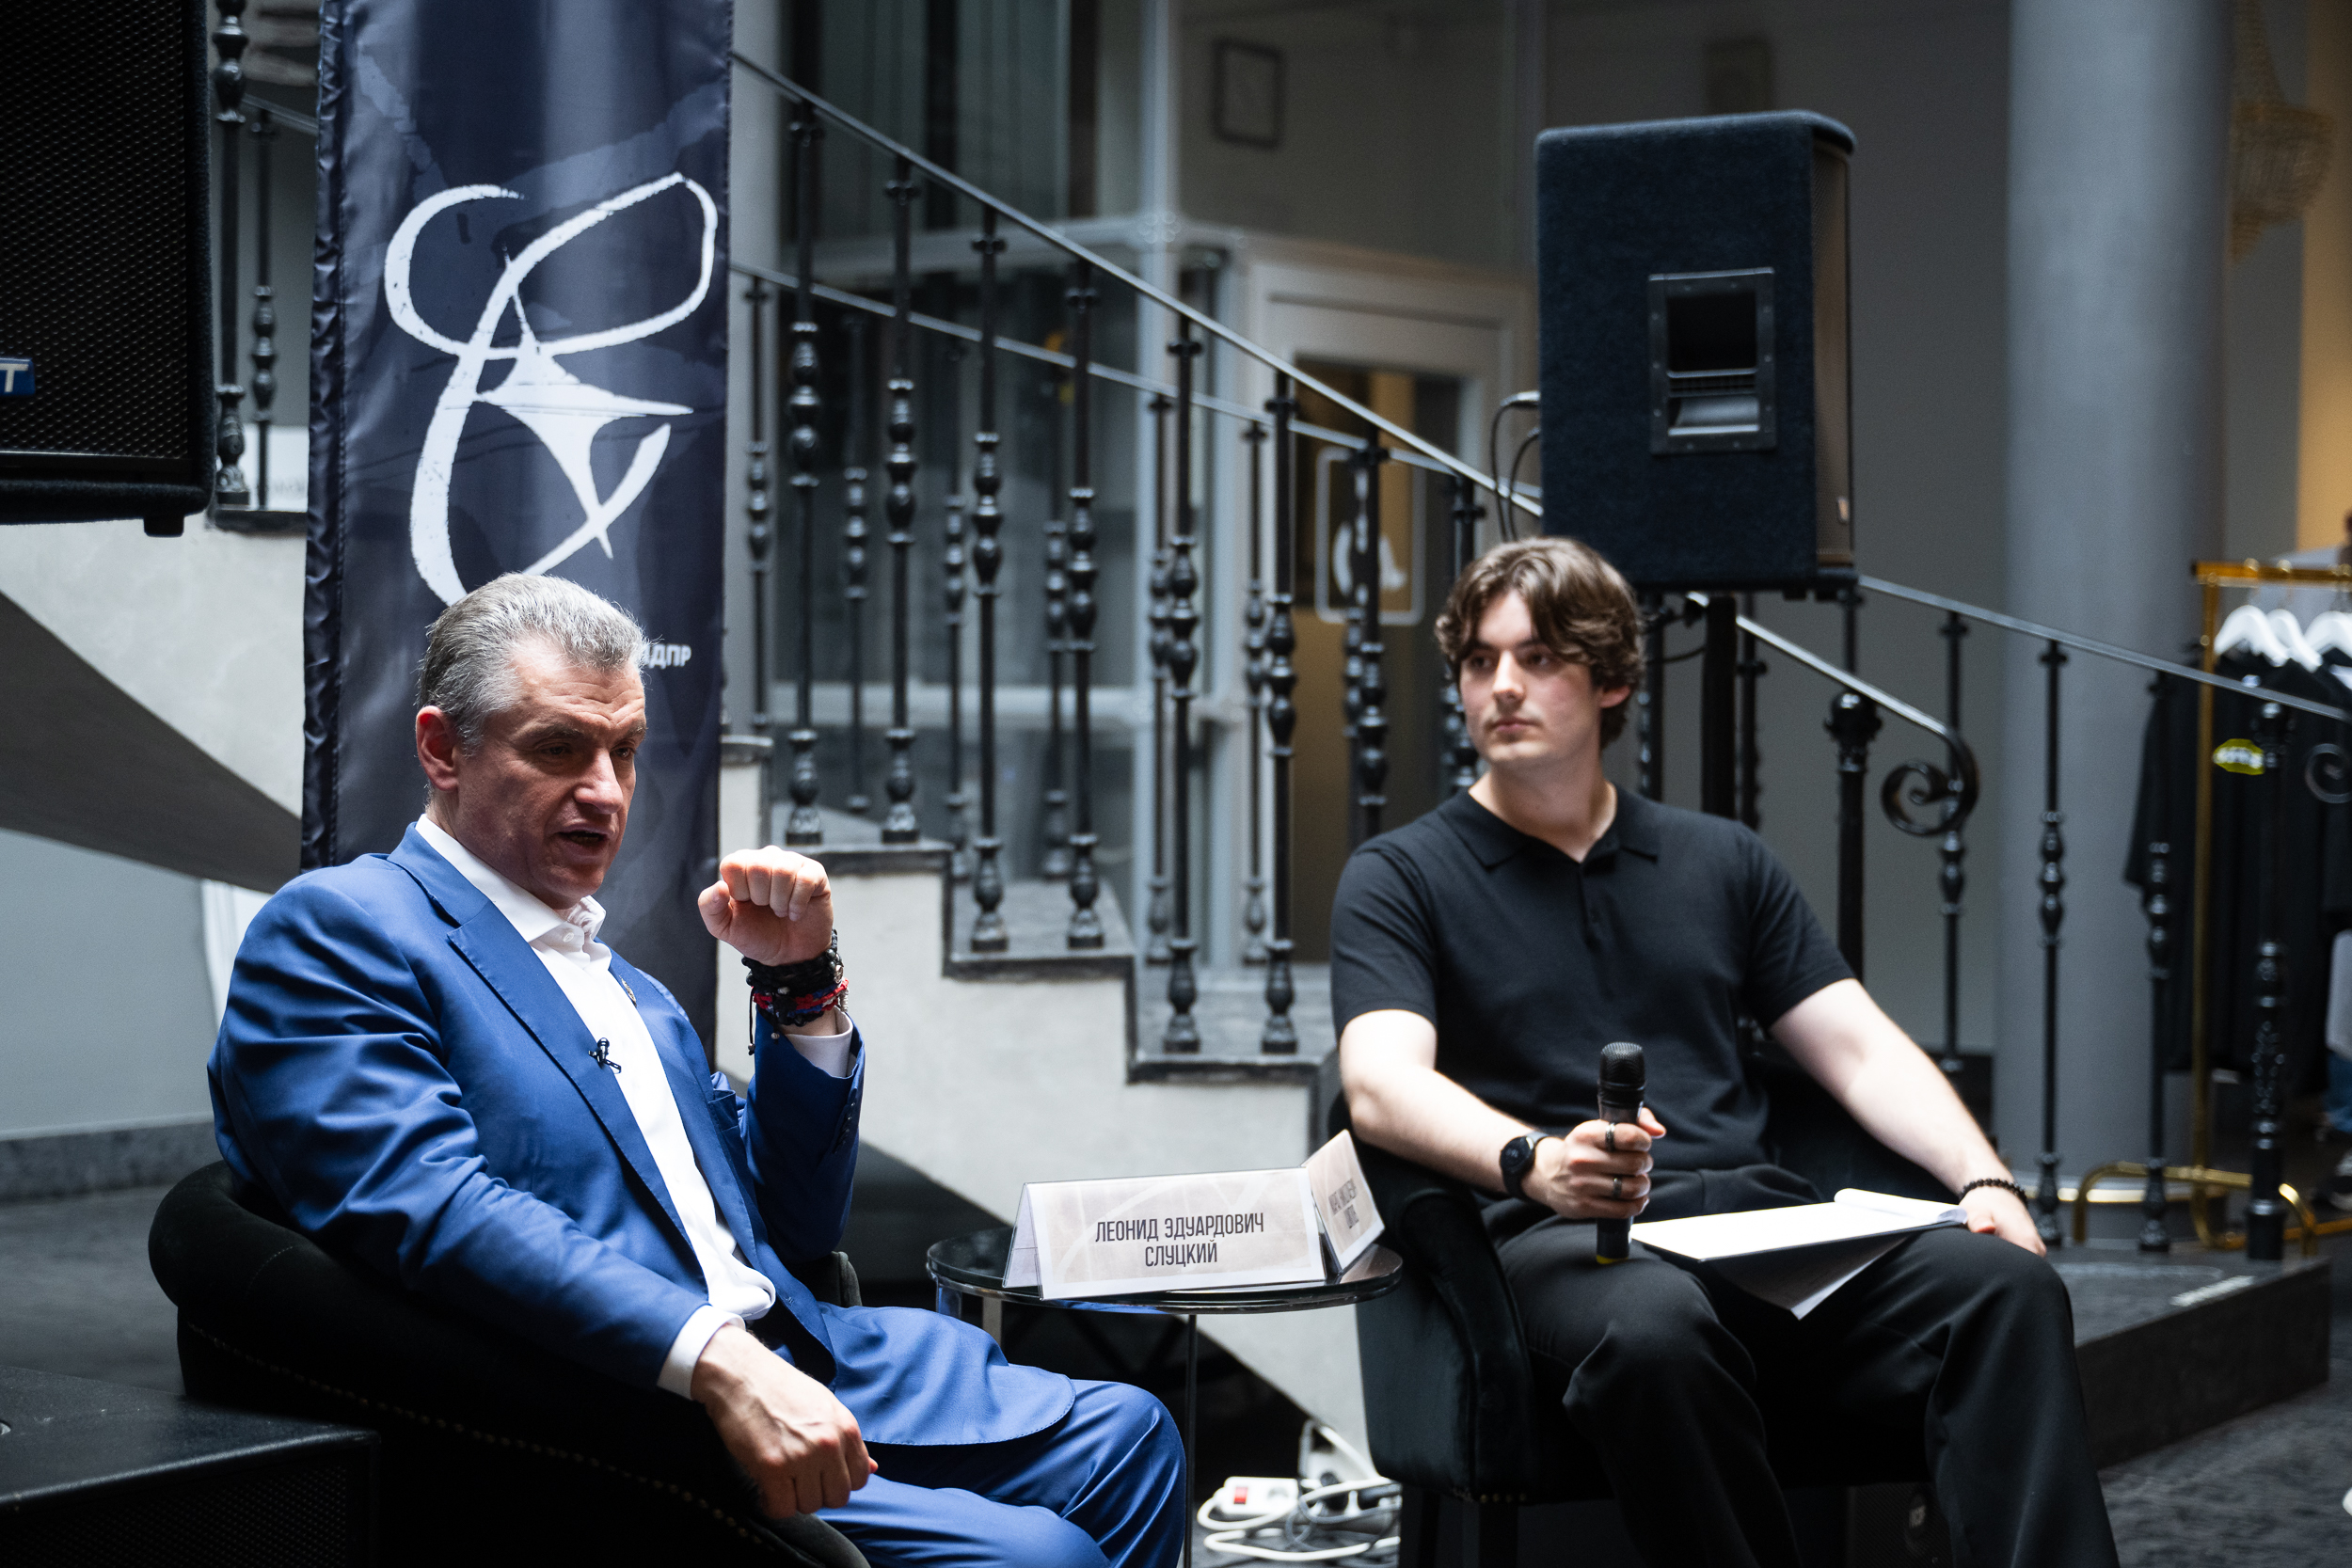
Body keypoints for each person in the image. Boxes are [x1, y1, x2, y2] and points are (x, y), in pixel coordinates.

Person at [210, 574, 1182, 1568]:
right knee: (1042, 1555)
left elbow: (794, 1226)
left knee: (1132, 1435)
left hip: (808, 1349)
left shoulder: (625, 984)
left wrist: (800, 987)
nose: (605, 789)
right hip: (633, 1410)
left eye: (625, 750)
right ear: (442, 748)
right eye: (559, 747)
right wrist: (715, 1357)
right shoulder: (342, 930)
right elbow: (430, 1204)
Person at [1332, 539, 2120, 1568]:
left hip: (1756, 1223)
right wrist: (1537, 1161)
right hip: (1565, 1236)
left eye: (1538, 656)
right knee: (1654, 1327)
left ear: (1612, 679)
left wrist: (1985, 1179)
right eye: (1480, 661)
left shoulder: (1721, 859)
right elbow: (1379, 1084)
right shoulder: (1399, 875)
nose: (1502, 685)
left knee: (2006, 1291)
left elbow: (1859, 1050)